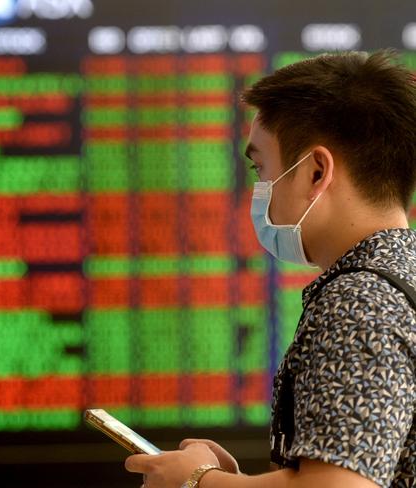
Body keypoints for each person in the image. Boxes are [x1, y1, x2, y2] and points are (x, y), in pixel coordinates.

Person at [125, 50, 416, 488]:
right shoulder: (401, 274)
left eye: (261, 167)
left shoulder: (359, 302)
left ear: (316, 172)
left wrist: (198, 482)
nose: (260, 190)